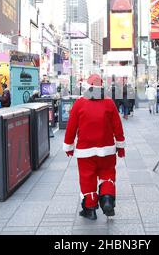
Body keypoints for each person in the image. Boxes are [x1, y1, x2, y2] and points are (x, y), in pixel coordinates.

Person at [63, 74, 125, 220]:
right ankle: (108, 200)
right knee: (108, 174)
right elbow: (118, 126)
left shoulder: (79, 103)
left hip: (85, 151)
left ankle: (90, 209)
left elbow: (71, 127)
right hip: (107, 149)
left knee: (87, 178)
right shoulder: (109, 103)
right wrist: (120, 145)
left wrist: (69, 146)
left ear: (87, 86)